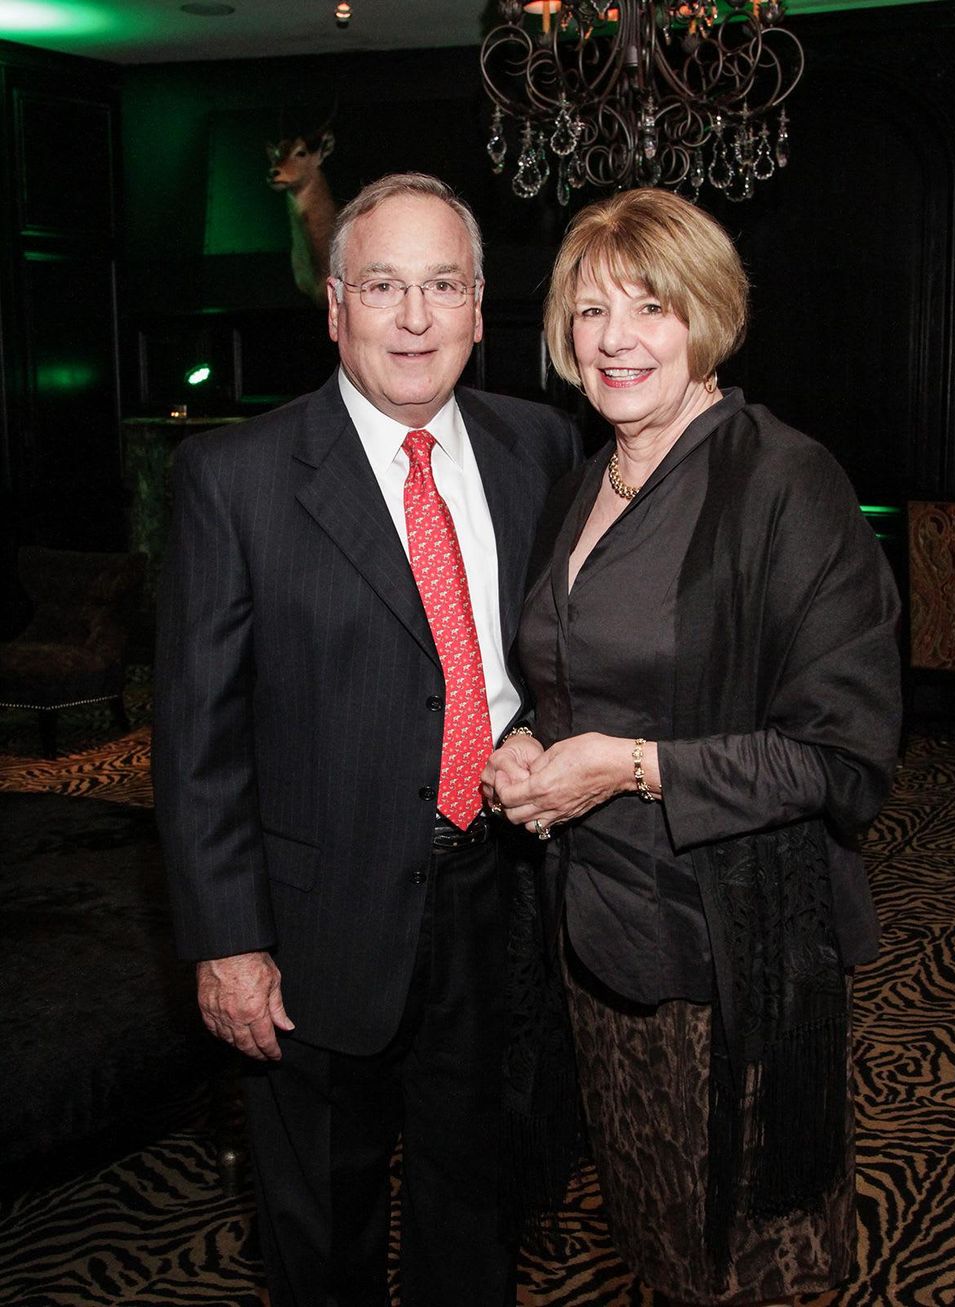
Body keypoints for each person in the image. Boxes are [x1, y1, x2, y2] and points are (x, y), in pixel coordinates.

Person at [153, 171, 581, 1307]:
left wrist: (542, 732)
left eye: (441, 285)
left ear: (480, 308)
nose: (412, 317)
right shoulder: (233, 478)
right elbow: (196, 739)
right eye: (382, 285)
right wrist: (226, 940)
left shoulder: (537, 445)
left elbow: (557, 651)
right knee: (320, 1230)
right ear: (333, 304)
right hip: (311, 925)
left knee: (478, 1202)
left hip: (498, 897)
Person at [482, 187, 901, 1306]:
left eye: (650, 306)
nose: (615, 338)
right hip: (595, 936)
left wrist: (628, 765)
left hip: (725, 954)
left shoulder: (783, 482)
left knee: (731, 1259)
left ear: (707, 316)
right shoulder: (583, 483)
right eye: (588, 310)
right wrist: (525, 740)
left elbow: (841, 756)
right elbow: (571, 673)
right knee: (653, 1236)